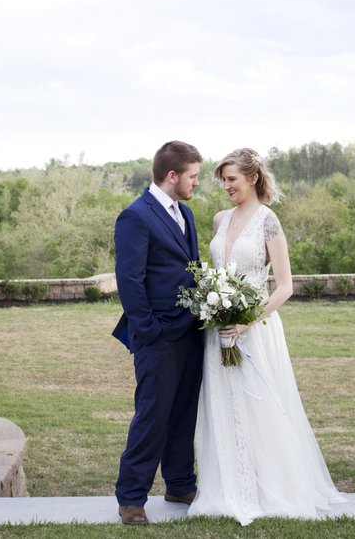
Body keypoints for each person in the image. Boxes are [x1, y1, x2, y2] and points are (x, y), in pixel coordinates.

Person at [187, 148, 344, 526]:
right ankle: (227, 484)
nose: (226, 186)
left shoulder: (268, 221)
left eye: (232, 179)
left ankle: (267, 486)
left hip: (254, 329)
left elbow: (286, 286)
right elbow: (217, 272)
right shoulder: (219, 219)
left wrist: (245, 321)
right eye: (223, 180)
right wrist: (215, 305)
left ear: (252, 178)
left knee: (259, 404)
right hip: (218, 331)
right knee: (223, 404)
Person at [112, 140, 205, 525]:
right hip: (158, 336)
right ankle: (131, 497)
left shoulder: (185, 213)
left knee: (184, 412)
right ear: (172, 176)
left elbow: (190, 267)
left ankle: (180, 482)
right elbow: (129, 279)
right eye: (193, 176)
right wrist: (149, 330)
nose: (196, 184)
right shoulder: (135, 216)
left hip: (191, 332)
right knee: (152, 415)